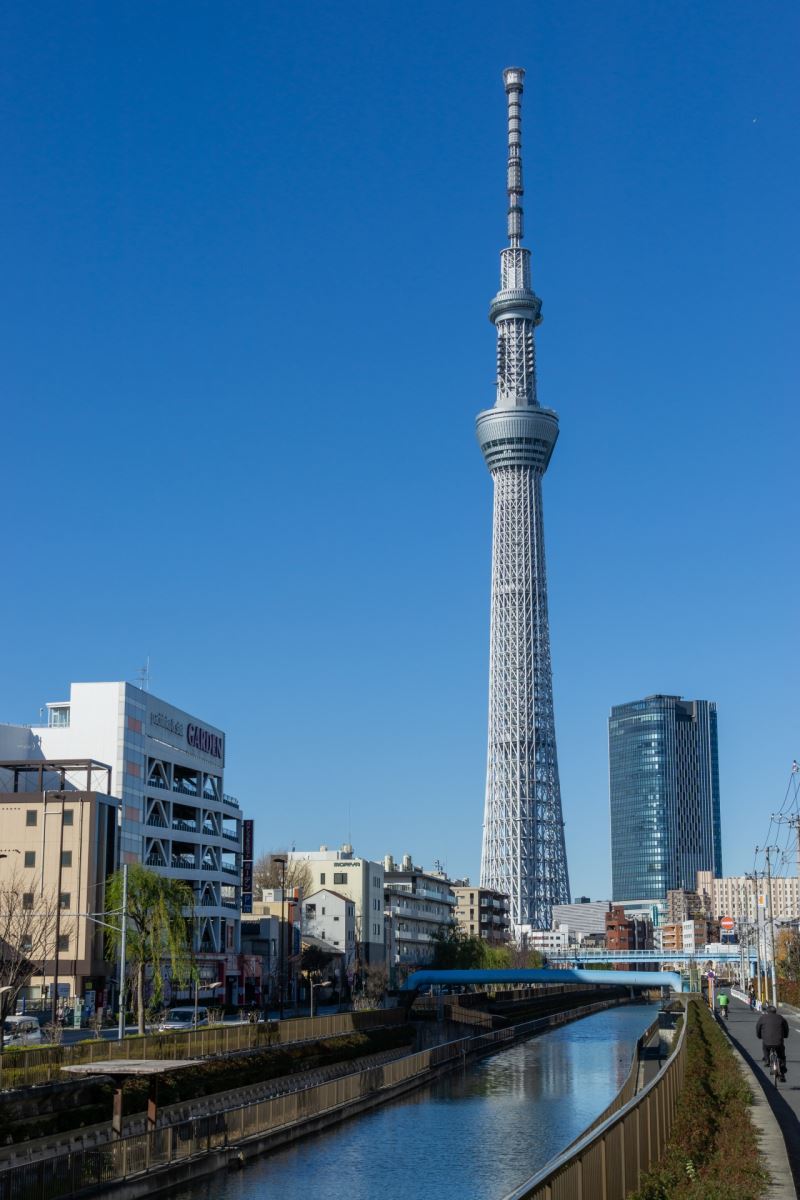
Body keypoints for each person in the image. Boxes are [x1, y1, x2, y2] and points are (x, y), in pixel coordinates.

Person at [756, 1004, 789, 1080]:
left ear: (767, 1011)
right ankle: (782, 1070)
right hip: (779, 1042)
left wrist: (759, 1036)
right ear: (775, 1011)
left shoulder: (762, 1018)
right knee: (781, 1054)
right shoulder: (780, 1018)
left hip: (767, 1042)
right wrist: (786, 1035)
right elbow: (786, 1028)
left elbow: (758, 1028)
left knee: (765, 1047)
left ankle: (767, 1060)